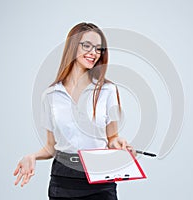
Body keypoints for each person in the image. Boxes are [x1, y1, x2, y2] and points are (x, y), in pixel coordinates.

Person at [13, 22, 135, 200]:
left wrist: (119, 143)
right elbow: (51, 147)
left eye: (98, 49)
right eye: (87, 45)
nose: (93, 53)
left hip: (100, 180)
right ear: (72, 46)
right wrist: (32, 156)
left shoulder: (108, 90)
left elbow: (112, 138)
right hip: (64, 181)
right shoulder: (51, 95)